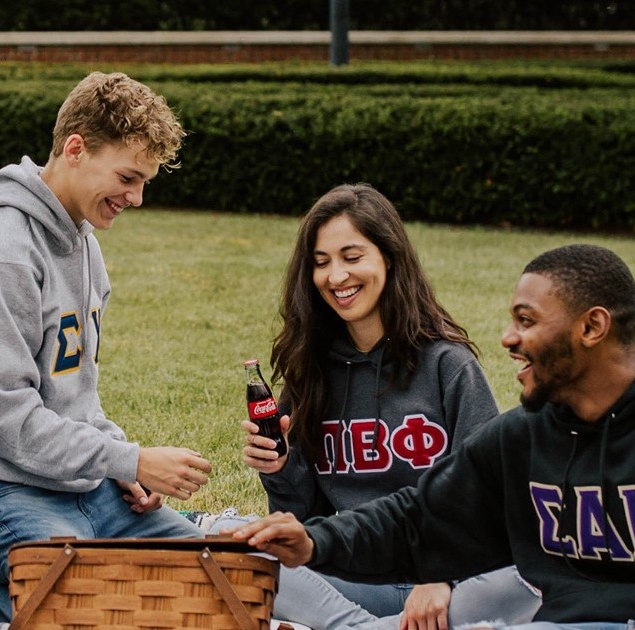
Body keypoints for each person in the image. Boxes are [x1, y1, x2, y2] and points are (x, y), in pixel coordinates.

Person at [232, 244, 635, 629]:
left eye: (526, 321)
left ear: (592, 326)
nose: (506, 337)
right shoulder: (521, 438)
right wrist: (313, 542)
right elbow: (418, 520)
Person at [0, 71, 214, 624]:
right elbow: (9, 424)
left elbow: (76, 397)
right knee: (100, 608)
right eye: (129, 177)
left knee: (207, 582)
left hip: (84, 486)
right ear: (75, 149)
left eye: (145, 182)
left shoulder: (84, 244)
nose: (138, 197)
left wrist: (127, 468)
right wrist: (131, 459)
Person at [224, 184, 539, 630]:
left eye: (352, 258)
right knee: (245, 552)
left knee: (530, 579)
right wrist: (279, 469)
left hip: (449, 581)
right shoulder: (312, 369)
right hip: (357, 572)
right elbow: (307, 522)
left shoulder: (448, 365)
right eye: (321, 263)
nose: (336, 277)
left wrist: (440, 574)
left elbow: (488, 496)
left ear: (388, 258)